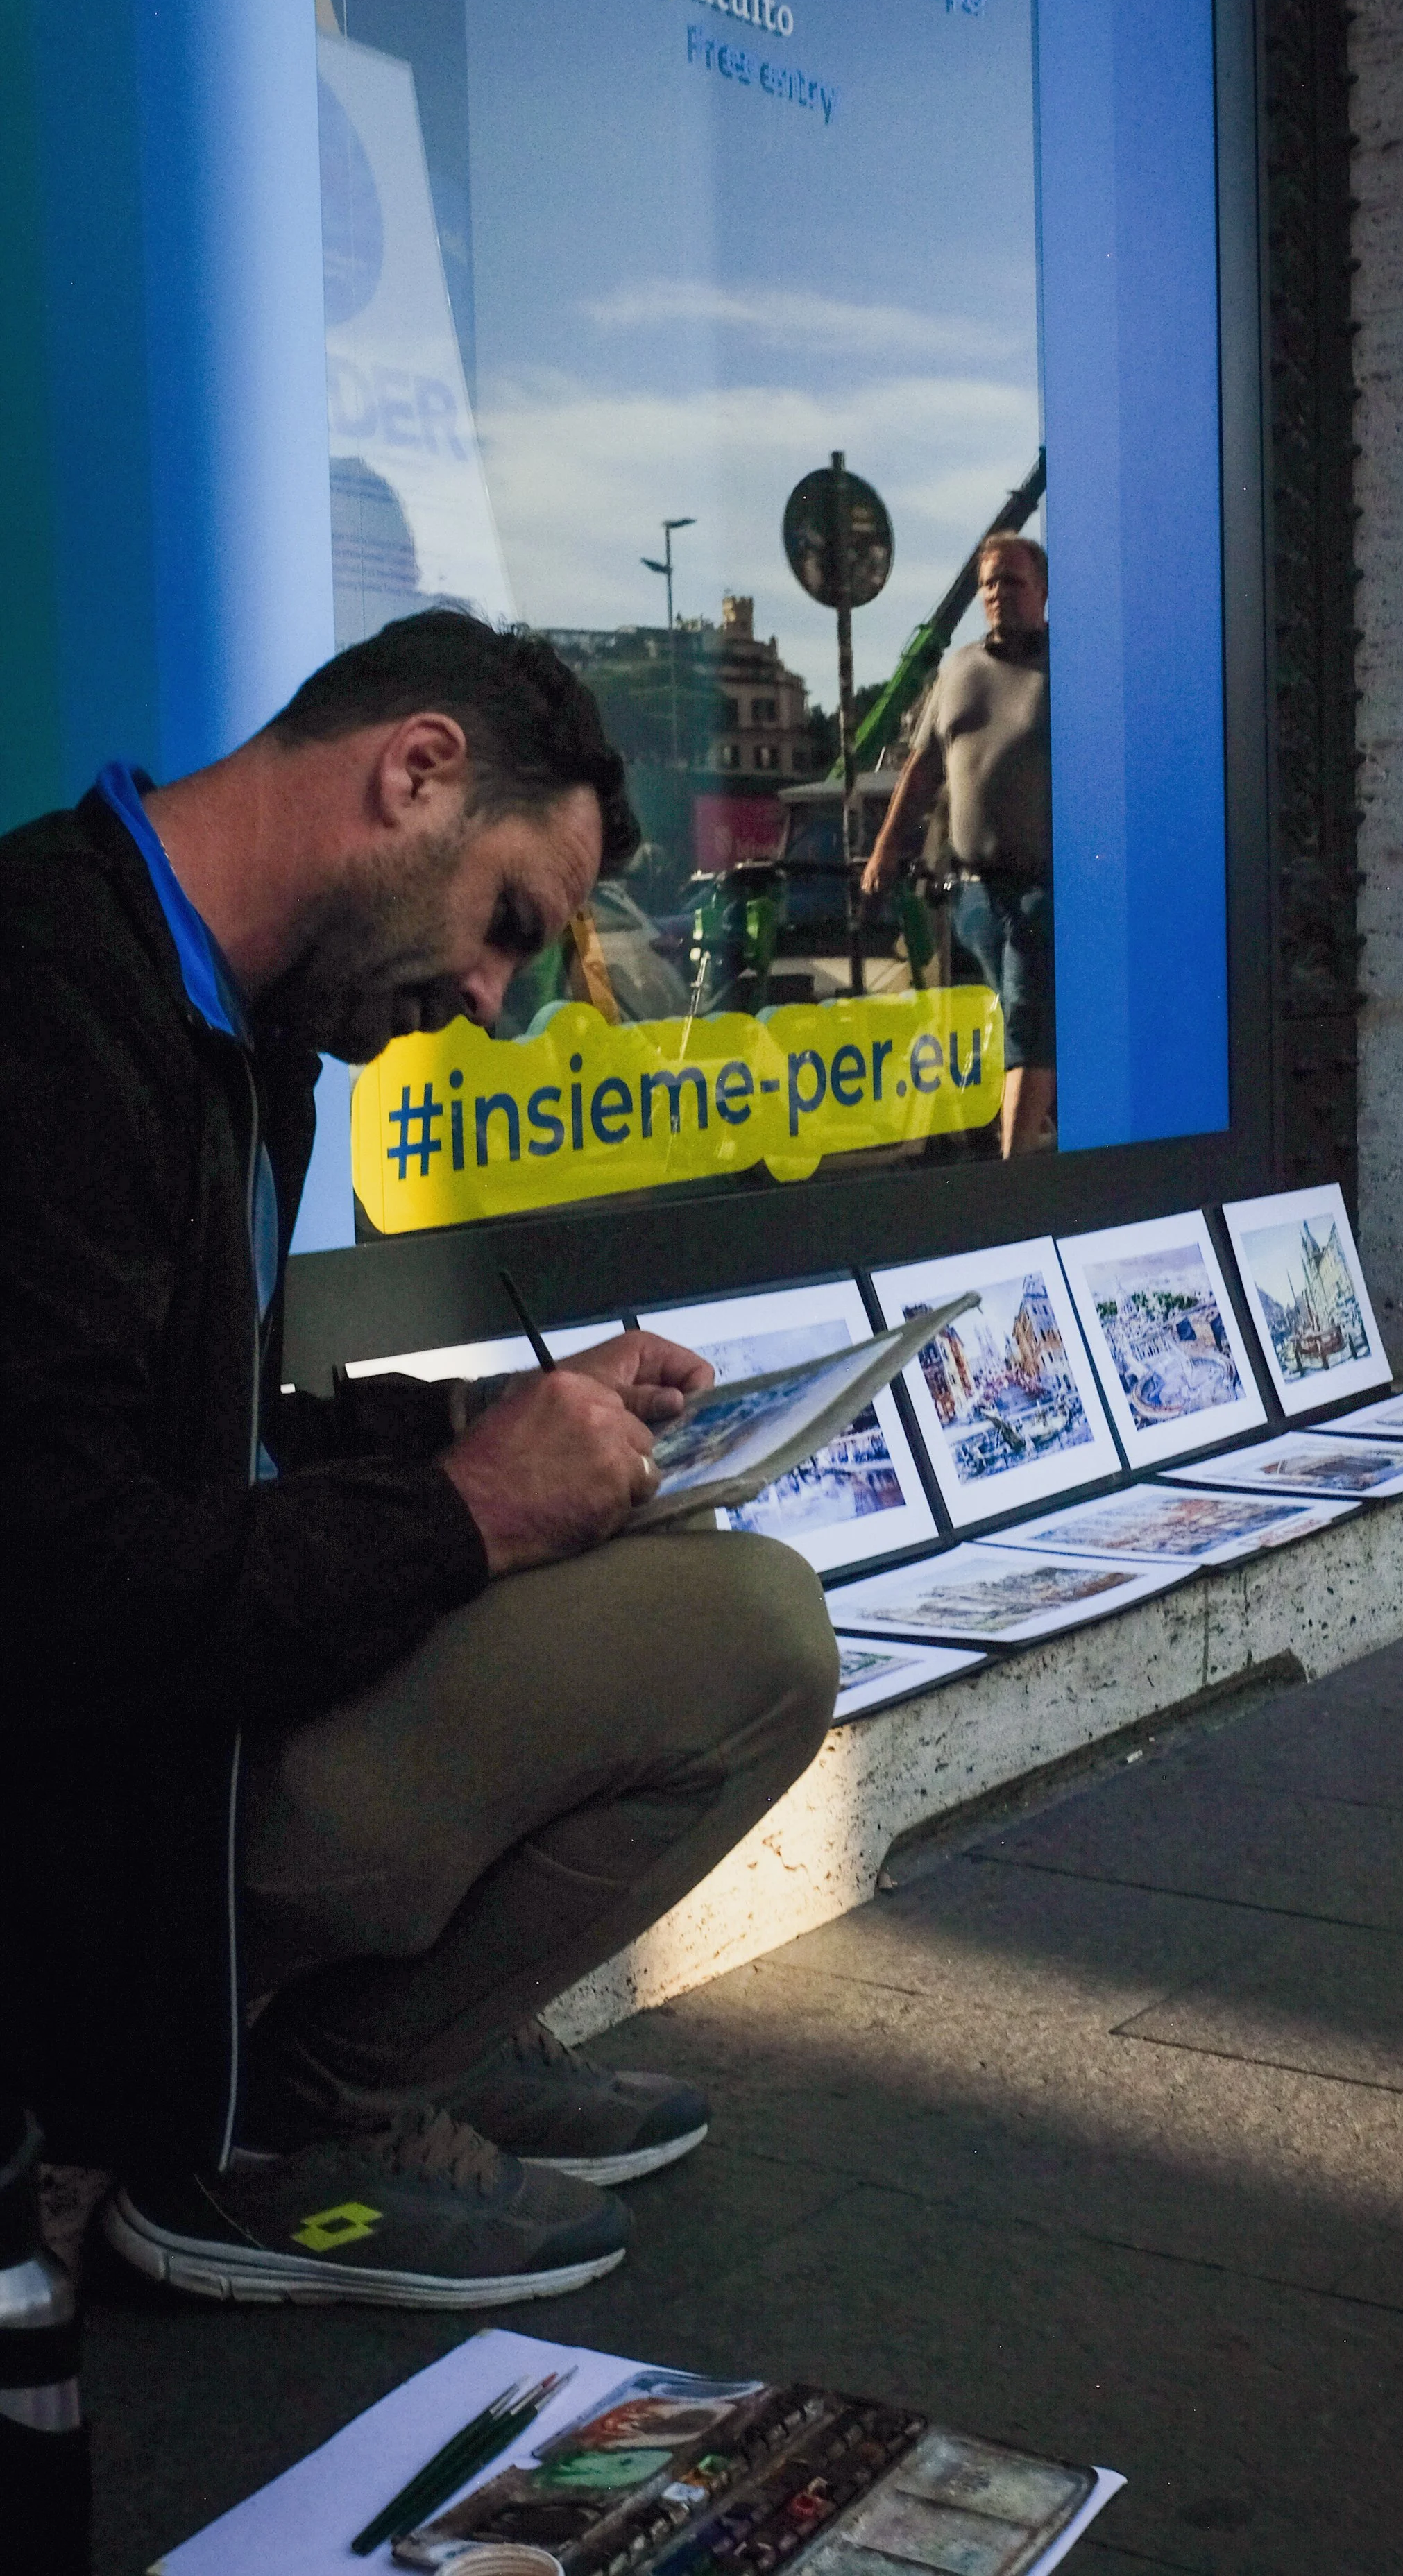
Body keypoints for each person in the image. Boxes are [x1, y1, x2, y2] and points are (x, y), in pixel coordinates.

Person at [0, 611, 838, 2310]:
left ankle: (343, 2058)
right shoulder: (43, 1000)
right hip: (85, 1826)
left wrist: (468, 1432)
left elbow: (205, 1457)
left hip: (165, 1750)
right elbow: (52, 1579)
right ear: (416, 770)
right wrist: (468, 1509)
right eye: (509, 925)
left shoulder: (243, 1027)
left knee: (630, 1536)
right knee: (748, 1634)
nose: (489, 1000)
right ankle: (278, 2118)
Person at [861, 531, 1054, 1155]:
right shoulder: (958, 669)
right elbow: (921, 771)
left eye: (1013, 580)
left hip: (1040, 886)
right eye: (990, 582)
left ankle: (1014, 1171)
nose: (999, 592)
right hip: (972, 896)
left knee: (1027, 1021)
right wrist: (887, 847)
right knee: (1004, 1028)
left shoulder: (1071, 666)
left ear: (1043, 591)